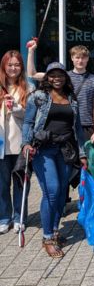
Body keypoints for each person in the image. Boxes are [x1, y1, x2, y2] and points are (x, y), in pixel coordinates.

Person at [22, 62, 86, 258]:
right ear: (47, 77)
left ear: (65, 77)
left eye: (60, 75)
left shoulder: (71, 99)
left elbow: (78, 128)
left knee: (60, 194)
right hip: (44, 150)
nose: (56, 78)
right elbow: (28, 122)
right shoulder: (38, 97)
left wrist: (83, 153)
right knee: (52, 191)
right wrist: (26, 143)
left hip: (65, 150)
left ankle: (55, 231)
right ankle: (47, 237)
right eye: (52, 75)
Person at [27, 41, 94, 143]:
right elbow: (32, 74)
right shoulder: (62, 77)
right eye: (77, 57)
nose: (80, 61)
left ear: (88, 59)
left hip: (87, 125)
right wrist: (31, 51)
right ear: (72, 58)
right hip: (67, 125)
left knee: (86, 158)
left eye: (83, 58)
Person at [0, 50, 33, 234]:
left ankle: (19, 217)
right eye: (10, 64)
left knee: (21, 183)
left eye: (17, 64)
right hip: (1, 145)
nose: (13, 68)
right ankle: (4, 217)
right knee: (2, 185)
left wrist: (16, 107)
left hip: (20, 143)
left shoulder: (27, 87)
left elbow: (30, 115)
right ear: (4, 66)